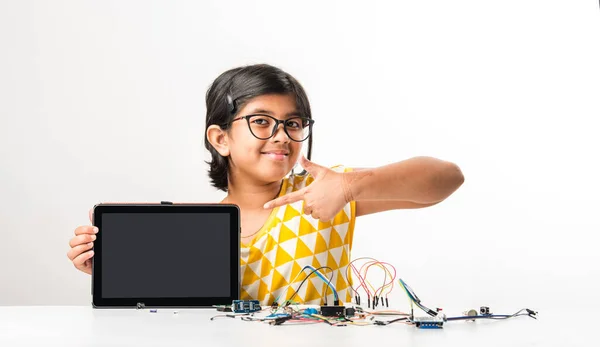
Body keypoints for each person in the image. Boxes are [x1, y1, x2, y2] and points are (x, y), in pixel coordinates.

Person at [67, 64, 464, 306]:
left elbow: (446, 179)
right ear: (220, 138)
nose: (282, 136)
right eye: (261, 121)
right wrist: (115, 273)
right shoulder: (188, 228)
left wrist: (349, 186)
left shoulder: (326, 192)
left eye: (293, 123)